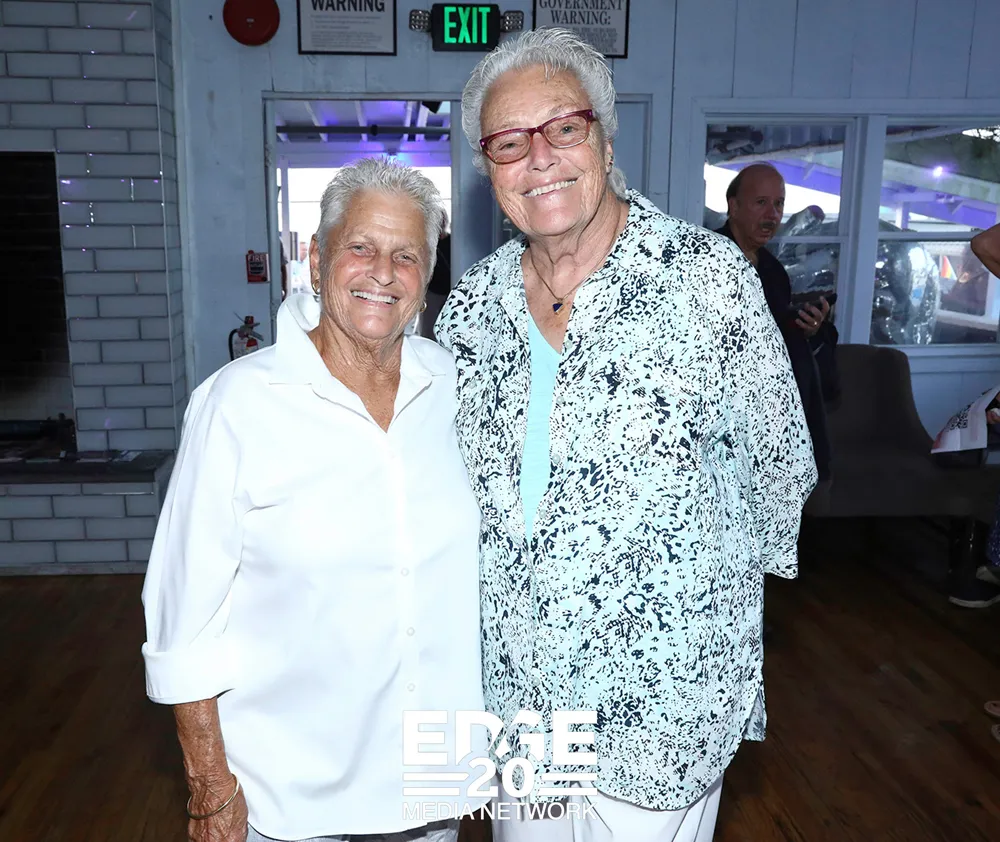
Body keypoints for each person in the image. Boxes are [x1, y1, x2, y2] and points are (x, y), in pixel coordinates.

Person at [436, 28, 817, 842]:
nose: (539, 158)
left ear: (604, 141)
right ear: (488, 170)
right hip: (522, 687)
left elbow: (780, 459)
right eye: (509, 143)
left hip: (660, 692)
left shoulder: (708, 279)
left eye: (563, 128)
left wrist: (704, 607)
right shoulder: (471, 307)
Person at [142, 158, 485, 842]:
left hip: (430, 791)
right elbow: (183, 621)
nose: (383, 272)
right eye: (360, 246)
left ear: (427, 276)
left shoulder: (459, 390)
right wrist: (209, 787)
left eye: (406, 255)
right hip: (288, 799)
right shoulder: (237, 404)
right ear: (317, 258)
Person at [717, 164, 838, 480]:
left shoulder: (773, 270)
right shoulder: (709, 258)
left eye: (779, 204)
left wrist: (810, 328)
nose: (772, 215)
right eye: (761, 203)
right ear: (734, 206)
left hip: (772, 412)